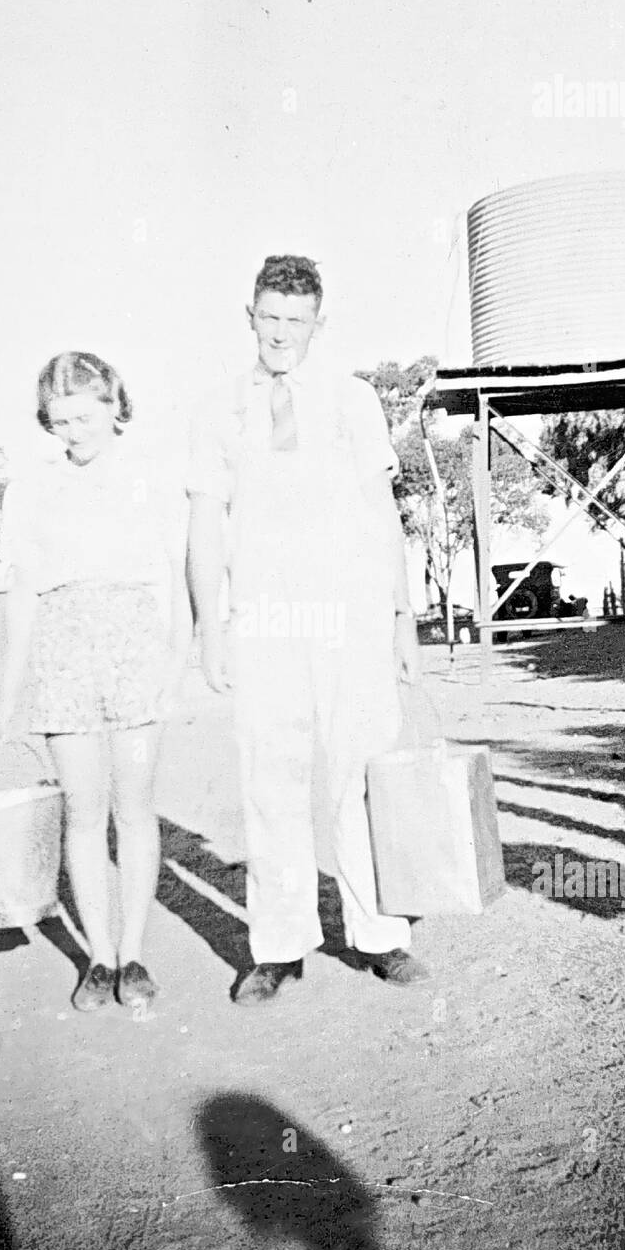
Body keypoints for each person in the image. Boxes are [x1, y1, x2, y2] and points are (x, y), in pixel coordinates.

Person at [187, 255, 431, 1005]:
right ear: (249, 316)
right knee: (271, 780)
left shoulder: (352, 400)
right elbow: (203, 521)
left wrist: (400, 617)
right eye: (269, 317)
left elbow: (380, 514)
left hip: (348, 613)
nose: (281, 333)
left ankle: (382, 936)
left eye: (296, 320)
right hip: (264, 618)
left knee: (358, 773)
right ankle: (278, 947)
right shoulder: (218, 406)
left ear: (317, 325)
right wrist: (209, 626)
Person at [0, 352, 191, 1013]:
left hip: (134, 641)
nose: (72, 432)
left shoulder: (150, 479)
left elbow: (177, 578)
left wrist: (176, 661)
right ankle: (98, 959)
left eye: (83, 416)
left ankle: (134, 954)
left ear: (114, 405)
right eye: (58, 421)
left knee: (133, 808)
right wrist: (9, 694)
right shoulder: (29, 489)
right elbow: (21, 592)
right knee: (81, 812)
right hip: (61, 646)